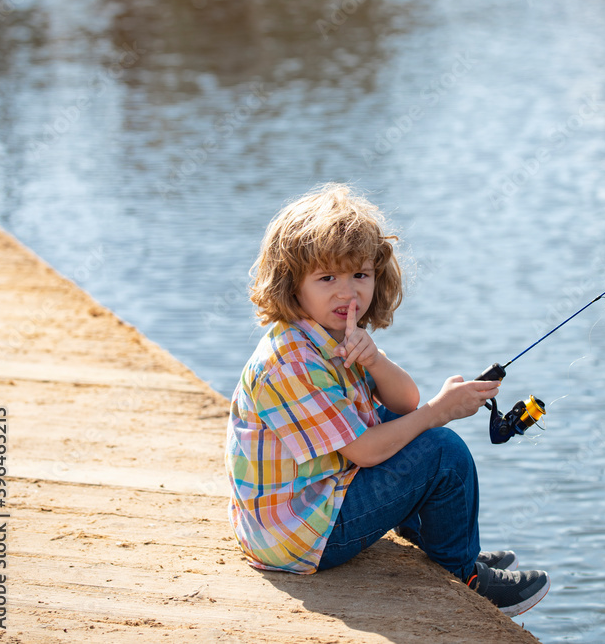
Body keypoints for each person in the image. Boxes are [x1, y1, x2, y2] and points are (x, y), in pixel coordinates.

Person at [225, 183, 550, 617]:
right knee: (441, 451)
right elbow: (365, 448)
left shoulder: (334, 334)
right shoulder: (291, 360)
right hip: (294, 538)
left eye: (360, 275)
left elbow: (405, 402)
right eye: (328, 279)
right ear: (292, 285)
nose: (348, 293)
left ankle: (445, 543)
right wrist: (439, 413)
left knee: (394, 420)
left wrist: (376, 361)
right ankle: (464, 572)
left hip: (298, 516)